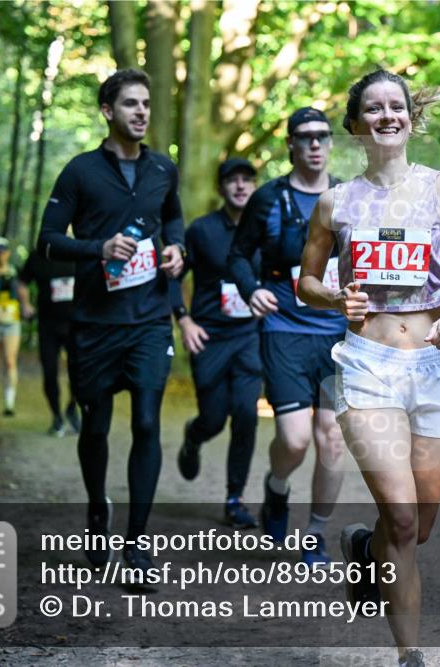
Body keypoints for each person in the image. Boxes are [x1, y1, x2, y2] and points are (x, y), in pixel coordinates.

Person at [297, 69, 440, 667]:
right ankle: (409, 652)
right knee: (405, 516)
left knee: (421, 525)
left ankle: (365, 546)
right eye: (374, 109)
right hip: (368, 366)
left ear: (410, 117)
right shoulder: (335, 202)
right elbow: (307, 280)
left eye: (397, 107)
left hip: (436, 365)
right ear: (356, 125)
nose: (388, 116)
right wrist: (337, 298)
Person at [37, 68, 185, 573]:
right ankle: (98, 511)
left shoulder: (164, 169)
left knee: (147, 422)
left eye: (146, 103)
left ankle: (138, 543)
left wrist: (177, 249)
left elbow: (172, 218)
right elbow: (49, 239)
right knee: (95, 427)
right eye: (130, 104)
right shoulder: (80, 171)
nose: (141, 111)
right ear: (108, 111)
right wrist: (97, 247)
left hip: (148, 319)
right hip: (94, 323)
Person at [227, 107, 347, 565]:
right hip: (284, 329)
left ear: (331, 144)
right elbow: (239, 256)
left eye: (322, 136)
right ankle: (276, 489)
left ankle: (315, 533)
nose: (315, 144)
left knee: (332, 438)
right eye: (305, 137)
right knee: (295, 440)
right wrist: (252, 288)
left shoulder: (348, 195)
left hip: (338, 333)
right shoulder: (268, 199)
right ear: (291, 146)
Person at [172, 157, 261, 528]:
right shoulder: (201, 230)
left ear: (254, 186)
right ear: (221, 187)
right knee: (213, 417)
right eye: (232, 180)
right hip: (208, 336)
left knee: (246, 413)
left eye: (247, 180)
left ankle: (234, 498)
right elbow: (173, 277)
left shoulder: (266, 229)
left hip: (250, 336)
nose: (240, 186)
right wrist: (185, 319)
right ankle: (194, 436)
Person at [20, 248, 80, 436]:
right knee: (49, 372)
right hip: (48, 325)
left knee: (81, 371)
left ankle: (73, 407)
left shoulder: (77, 250)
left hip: (76, 324)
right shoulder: (38, 255)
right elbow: (21, 282)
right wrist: (26, 304)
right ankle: (56, 416)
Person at [0, 237, 33, 416]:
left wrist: (26, 305)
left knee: (10, 361)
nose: (2, 255)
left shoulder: (15, 271)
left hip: (11, 321)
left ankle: (9, 404)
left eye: (4, 251)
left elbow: (22, 290)